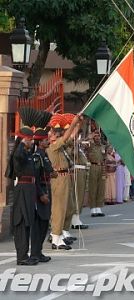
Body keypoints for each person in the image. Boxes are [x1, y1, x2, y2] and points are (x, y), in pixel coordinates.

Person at [7, 107, 40, 265]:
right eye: (29, 139)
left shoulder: (27, 153)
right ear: (23, 140)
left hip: (29, 191)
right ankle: (21, 256)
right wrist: (22, 139)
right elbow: (19, 154)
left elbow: (33, 149)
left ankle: (25, 254)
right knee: (21, 222)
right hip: (22, 190)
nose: (32, 142)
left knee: (28, 222)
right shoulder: (18, 153)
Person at [47, 113, 82, 250]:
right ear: (52, 137)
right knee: (59, 208)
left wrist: (79, 124)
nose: (58, 135)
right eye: (56, 134)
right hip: (59, 178)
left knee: (69, 206)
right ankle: (55, 237)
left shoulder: (59, 146)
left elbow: (71, 137)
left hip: (65, 177)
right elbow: (67, 136)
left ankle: (60, 233)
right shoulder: (53, 147)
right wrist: (73, 123)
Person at [31, 111, 54, 263]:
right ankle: (35, 252)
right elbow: (36, 178)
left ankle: (38, 252)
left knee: (45, 222)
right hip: (42, 191)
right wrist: (41, 194)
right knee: (39, 223)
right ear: (40, 143)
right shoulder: (37, 156)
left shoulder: (44, 155)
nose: (48, 141)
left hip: (47, 188)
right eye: (46, 140)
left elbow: (48, 171)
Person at [86, 130, 106, 217]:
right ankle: (93, 208)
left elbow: (104, 156)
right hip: (93, 166)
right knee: (93, 187)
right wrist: (89, 138)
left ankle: (99, 207)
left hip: (101, 167)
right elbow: (85, 145)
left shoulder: (102, 146)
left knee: (101, 188)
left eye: (98, 136)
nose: (97, 138)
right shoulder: (90, 145)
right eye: (96, 136)